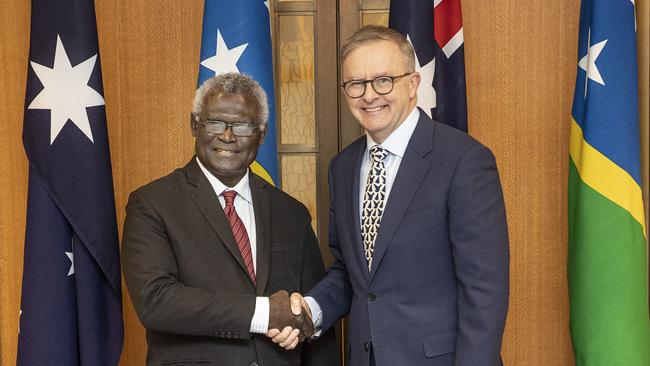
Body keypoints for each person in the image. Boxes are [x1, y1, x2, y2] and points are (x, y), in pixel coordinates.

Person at [280, 25, 510, 365]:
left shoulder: (463, 161)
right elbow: (352, 272)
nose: (369, 95)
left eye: (383, 80)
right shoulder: (342, 168)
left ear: (413, 84)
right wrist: (309, 312)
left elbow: (484, 292)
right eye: (356, 84)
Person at [121, 73, 338, 366]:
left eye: (243, 126)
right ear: (194, 125)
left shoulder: (292, 213)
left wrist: (298, 324)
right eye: (214, 122)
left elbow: (312, 316)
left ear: (262, 133)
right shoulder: (153, 204)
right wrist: (264, 313)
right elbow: (156, 301)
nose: (227, 136)